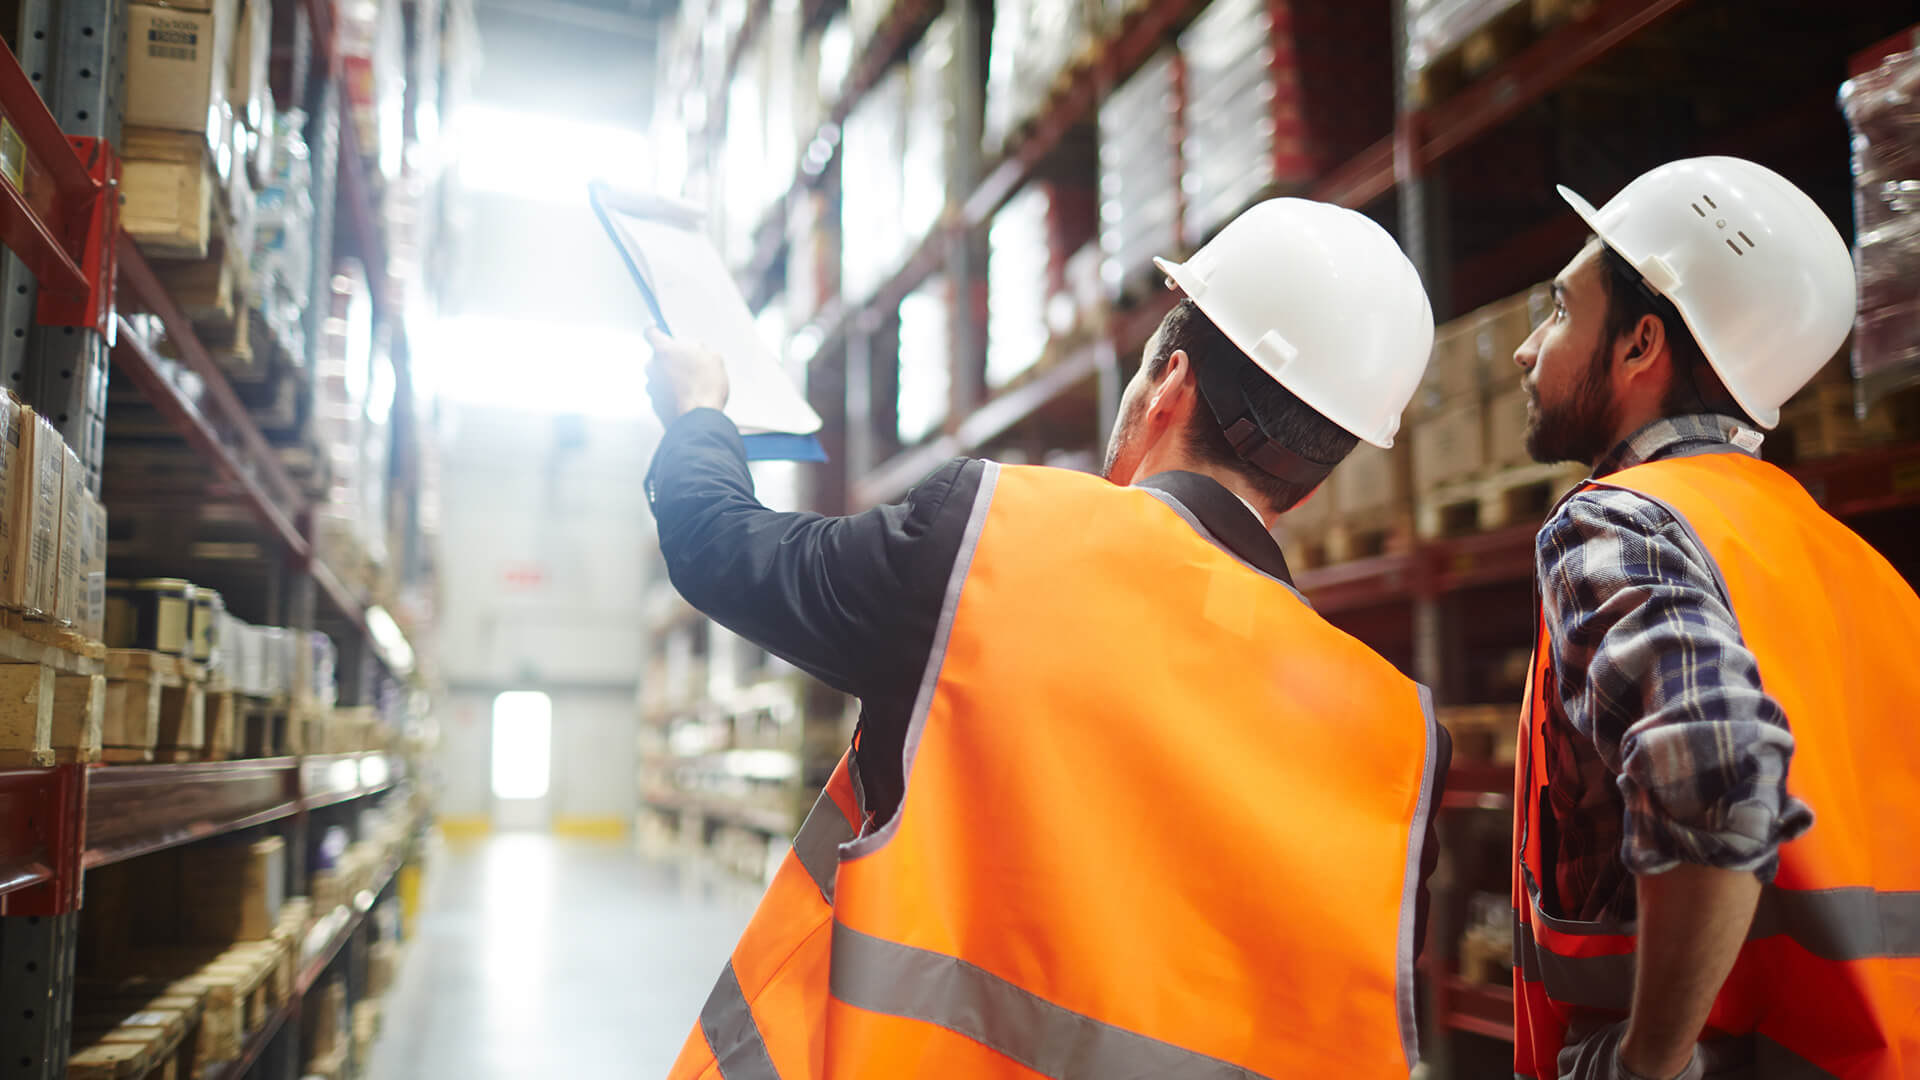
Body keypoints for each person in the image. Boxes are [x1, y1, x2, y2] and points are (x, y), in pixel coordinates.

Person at [646, 198, 1449, 1080]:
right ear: (1309, 482)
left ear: (1168, 384)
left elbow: (721, 549)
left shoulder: (987, 541)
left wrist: (699, 415)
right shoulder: (1398, 742)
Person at [1508, 156, 1920, 1080]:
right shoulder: (1854, 565)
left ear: (1641, 345)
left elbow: (1716, 770)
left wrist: (1647, 1061)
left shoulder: (1619, 521)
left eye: (1563, 311)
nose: (1526, 348)